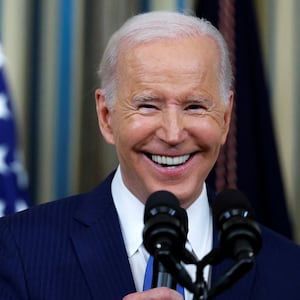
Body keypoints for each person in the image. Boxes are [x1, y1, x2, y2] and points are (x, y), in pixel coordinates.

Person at [0, 10, 300, 300]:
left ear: (225, 118)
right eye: (148, 105)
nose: (172, 134)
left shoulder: (289, 270)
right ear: (106, 117)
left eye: (195, 106)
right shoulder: (16, 250)